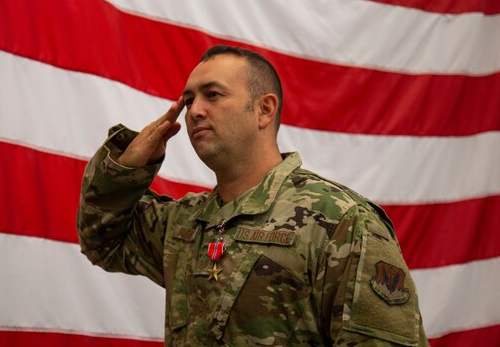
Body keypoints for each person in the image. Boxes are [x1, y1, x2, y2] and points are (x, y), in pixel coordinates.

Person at [77, 45, 429, 346]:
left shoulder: (341, 222)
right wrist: (124, 169)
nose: (195, 110)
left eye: (212, 95)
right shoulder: (184, 223)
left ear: (264, 109)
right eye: (189, 100)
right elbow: (102, 240)